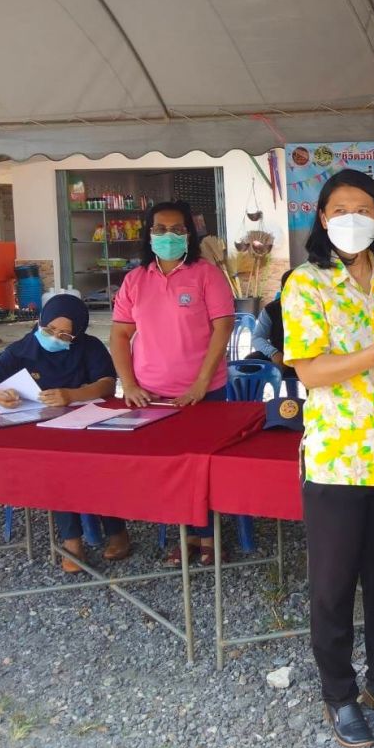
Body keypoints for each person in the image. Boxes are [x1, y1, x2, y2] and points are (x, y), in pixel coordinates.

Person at [283, 168, 374, 748]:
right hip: (337, 459)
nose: (353, 218)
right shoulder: (306, 283)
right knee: (333, 584)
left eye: (364, 209)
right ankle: (339, 692)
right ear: (322, 218)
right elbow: (309, 370)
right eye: (341, 209)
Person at [110, 200, 234, 566]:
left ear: (189, 234)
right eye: (160, 229)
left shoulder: (206, 274)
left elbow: (223, 327)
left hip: (204, 393)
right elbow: (119, 336)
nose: (169, 236)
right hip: (151, 396)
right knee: (169, 471)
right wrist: (129, 384)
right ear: (148, 234)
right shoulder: (135, 280)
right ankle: (184, 537)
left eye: (177, 229)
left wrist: (200, 383)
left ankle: (209, 537)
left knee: (204, 468)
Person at [0, 294, 130, 571]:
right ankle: (72, 541)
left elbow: (106, 383)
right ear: (41, 322)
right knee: (56, 469)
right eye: (49, 330)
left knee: (98, 467)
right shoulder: (22, 349)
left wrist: (72, 394)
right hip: (44, 432)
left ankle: (116, 532)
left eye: (65, 335)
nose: (55, 337)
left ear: (77, 332)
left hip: (88, 427)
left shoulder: (89, 347)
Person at [248, 269, 299, 385]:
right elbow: (257, 337)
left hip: (308, 357)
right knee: (250, 363)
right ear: (282, 289)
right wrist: (273, 353)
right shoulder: (271, 310)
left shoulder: (314, 308)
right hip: (279, 356)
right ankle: (251, 397)